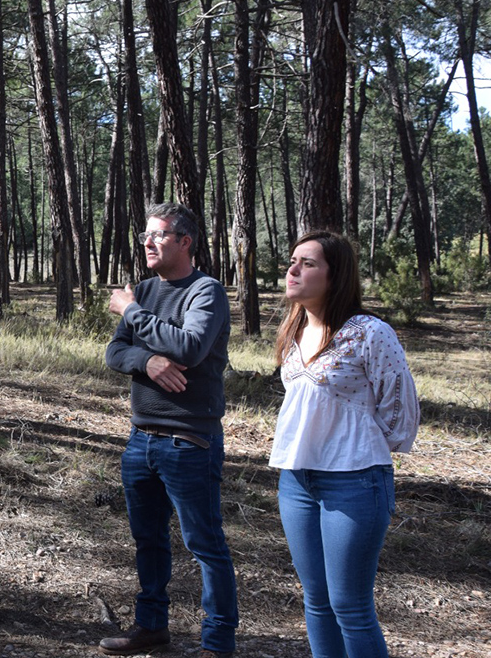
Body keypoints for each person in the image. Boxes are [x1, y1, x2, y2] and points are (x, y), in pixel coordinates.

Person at [271, 231, 419, 658]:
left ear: (336, 276)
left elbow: (399, 406)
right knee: (315, 601)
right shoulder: (293, 327)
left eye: (308, 263)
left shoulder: (369, 332)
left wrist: (361, 447)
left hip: (354, 482)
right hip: (296, 480)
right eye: (292, 261)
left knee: (349, 606)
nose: (293, 270)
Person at [102, 203, 238, 658]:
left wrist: (133, 312)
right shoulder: (144, 289)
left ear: (184, 241)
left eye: (158, 234)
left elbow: (191, 347)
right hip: (140, 440)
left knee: (204, 545)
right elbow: (115, 352)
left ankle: (217, 643)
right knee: (148, 540)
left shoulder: (206, 291)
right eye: (145, 234)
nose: (147, 241)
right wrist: (149, 360)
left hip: (189, 441)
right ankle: (151, 626)